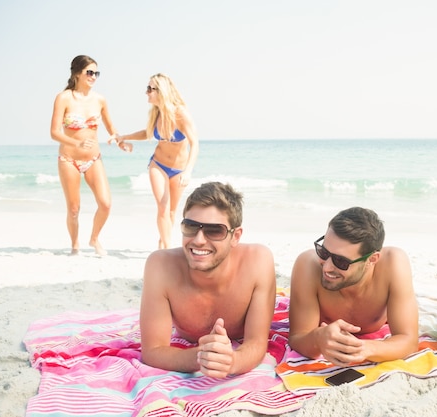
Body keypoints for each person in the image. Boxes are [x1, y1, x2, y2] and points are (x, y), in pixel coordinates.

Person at [139, 182, 276, 377]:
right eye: (190, 227)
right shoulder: (160, 266)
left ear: (235, 236)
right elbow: (152, 351)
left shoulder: (257, 262)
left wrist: (233, 362)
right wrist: (204, 356)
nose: (199, 240)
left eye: (215, 231)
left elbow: (256, 343)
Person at [288, 207, 419, 366]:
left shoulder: (393, 264)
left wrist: (366, 349)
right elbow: (298, 337)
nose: (327, 267)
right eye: (323, 252)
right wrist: (317, 339)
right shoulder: (308, 265)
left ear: (372, 260)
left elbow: (409, 341)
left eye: (341, 262)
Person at [110, 73, 199, 249]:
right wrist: (124, 137)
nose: (147, 92)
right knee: (163, 207)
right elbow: (148, 132)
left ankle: (162, 241)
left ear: (162, 91)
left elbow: (194, 143)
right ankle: (166, 249)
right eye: (147, 88)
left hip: (179, 169)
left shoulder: (180, 114)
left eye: (150, 89)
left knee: (172, 212)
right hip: (158, 165)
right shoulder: (156, 113)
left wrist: (188, 171)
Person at [50, 55, 119, 256]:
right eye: (90, 72)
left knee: (105, 204)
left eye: (96, 73)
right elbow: (54, 132)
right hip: (68, 159)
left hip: (93, 159)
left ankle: (94, 238)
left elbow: (111, 128)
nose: (94, 77)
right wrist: (76, 142)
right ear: (77, 73)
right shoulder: (64, 98)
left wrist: (120, 140)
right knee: (73, 209)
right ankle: (74, 245)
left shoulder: (100, 100)